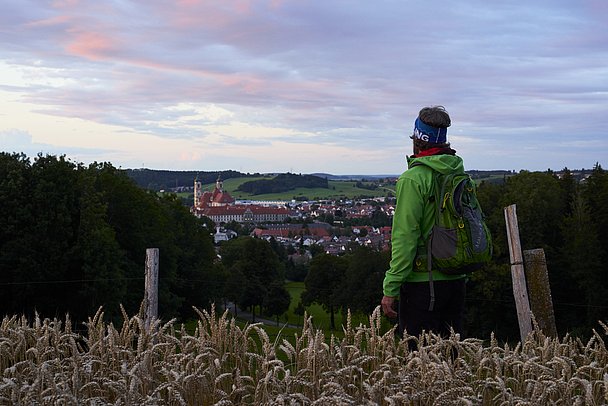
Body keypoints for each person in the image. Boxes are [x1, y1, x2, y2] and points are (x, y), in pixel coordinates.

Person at [381, 105, 467, 343]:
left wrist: (391, 287)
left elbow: (404, 237)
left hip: (422, 284)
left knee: (422, 367)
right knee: (452, 359)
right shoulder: (458, 173)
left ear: (417, 140)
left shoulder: (413, 179)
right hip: (456, 279)